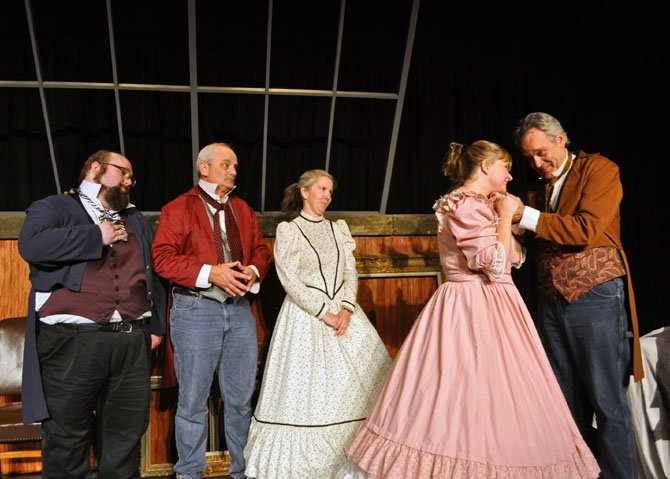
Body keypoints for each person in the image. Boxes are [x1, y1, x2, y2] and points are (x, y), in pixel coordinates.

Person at [337, 141, 600, 478]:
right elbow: (494, 264)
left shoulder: (480, 205)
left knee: (500, 394)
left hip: (497, 307)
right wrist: (504, 217)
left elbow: (515, 258)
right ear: (486, 166)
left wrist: (507, 221)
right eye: (504, 167)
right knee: (461, 393)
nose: (509, 175)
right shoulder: (464, 205)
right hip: (470, 305)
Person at [18, 150, 167, 479]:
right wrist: (94, 236)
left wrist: (155, 325)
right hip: (72, 343)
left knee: (125, 437)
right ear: (96, 168)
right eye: (123, 172)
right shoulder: (54, 206)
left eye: (132, 176)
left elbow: (152, 272)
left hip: (131, 340)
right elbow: (32, 246)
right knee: (66, 437)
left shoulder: (135, 218)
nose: (129, 181)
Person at [511, 112, 642, 478]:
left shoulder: (599, 170)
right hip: (552, 302)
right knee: (565, 406)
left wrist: (524, 215)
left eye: (541, 152)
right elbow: (531, 233)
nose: (537, 163)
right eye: (529, 158)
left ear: (561, 139)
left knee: (608, 404)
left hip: (595, 296)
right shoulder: (539, 187)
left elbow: (586, 228)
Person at [243, 169, 392, 479]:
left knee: (366, 383)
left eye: (330, 190)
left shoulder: (339, 229)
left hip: (346, 316)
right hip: (306, 317)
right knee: (309, 393)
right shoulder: (290, 230)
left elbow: (350, 272)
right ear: (305, 192)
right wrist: (324, 312)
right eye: (322, 189)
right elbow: (289, 278)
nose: (327, 195)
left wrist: (347, 310)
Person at [151, 142, 272, 479]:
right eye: (225, 165)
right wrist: (210, 272)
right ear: (203, 168)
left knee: (240, 401)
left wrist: (252, 271)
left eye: (234, 166)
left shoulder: (242, 209)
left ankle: (243, 472)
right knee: (192, 402)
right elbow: (162, 257)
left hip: (238, 311)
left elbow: (261, 249)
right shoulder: (178, 208)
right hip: (196, 308)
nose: (233, 171)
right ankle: (189, 473)